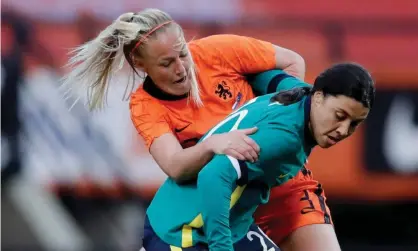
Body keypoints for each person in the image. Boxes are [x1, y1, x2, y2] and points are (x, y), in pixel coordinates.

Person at [61, 8, 343, 250]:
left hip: (286, 186)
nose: (181, 68)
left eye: (182, 54)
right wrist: (212, 144)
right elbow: (175, 165)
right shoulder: (145, 105)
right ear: (140, 64)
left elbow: (293, 62)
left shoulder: (216, 51)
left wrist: (277, 121)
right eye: (166, 63)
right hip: (229, 206)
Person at [142, 62, 375, 251]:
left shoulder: (295, 91)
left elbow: (261, 72)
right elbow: (212, 177)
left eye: (354, 123)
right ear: (318, 98)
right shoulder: (284, 140)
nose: (344, 130)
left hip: (225, 225)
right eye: (339, 115)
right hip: (181, 233)